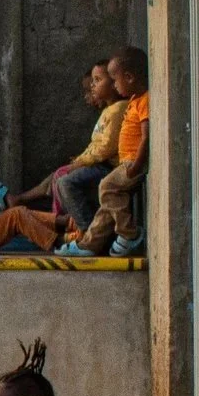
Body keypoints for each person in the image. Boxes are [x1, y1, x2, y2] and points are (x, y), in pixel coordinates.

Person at [16, 60, 127, 233]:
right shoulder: (108, 111)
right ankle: (72, 226)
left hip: (109, 166)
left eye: (97, 80)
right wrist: (80, 160)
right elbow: (95, 144)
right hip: (99, 163)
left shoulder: (119, 109)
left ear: (113, 83)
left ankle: (87, 230)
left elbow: (106, 147)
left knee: (66, 182)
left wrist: (81, 162)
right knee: (61, 177)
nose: (93, 87)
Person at [61, 46, 150, 258]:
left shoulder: (143, 101)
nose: (115, 85)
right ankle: (90, 244)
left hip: (131, 164)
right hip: (125, 163)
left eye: (115, 80)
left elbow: (146, 136)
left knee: (107, 187)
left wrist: (136, 164)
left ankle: (130, 233)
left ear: (128, 77)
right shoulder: (134, 100)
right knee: (106, 208)